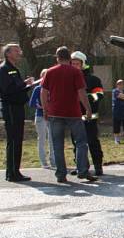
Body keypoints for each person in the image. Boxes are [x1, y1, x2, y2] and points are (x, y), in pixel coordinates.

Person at [41, 46, 96, 183]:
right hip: (73, 112)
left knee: (57, 144)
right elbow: (81, 93)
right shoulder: (76, 72)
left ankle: (61, 174)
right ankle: (83, 170)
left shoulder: (49, 72)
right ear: (69, 59)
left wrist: (45, 109)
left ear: (57, 57)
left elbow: (43, 92)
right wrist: (88, 109)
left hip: (55, 113)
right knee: (81, 142)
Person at [0, 43, 35, 182]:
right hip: (11, 108)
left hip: (18, 106)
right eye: (16, 50)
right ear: (8, 53)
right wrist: (23, 84)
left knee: (18, 139)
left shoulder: (14, 69)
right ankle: (12, 173)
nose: (19, 52)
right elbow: (7, 90)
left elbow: (17, 89)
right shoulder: (4, 69)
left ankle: (16, 171)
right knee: (14, 140)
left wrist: (27, 85)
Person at [70, 51, 104, 176]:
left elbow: (99, 95)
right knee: (76, 143)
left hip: (90, 117)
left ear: (83, 64)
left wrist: (85, 98)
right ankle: (80, 166)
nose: (74, 66)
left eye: (77, 64)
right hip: (74, 116)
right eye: (72, 63)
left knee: (92, 142)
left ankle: (98, 166)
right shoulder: (69, 79)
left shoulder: (93, 80)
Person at [28, 69, 55, 169]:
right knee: (42, 139)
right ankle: (44, 162)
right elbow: (31, 103)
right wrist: (40, 106)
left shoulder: (53, 88)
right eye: (44, 76)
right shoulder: (38, 89)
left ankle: (53, 161)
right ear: (41, 77)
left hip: (52, 116)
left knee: (53, 139)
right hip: (40, 116)